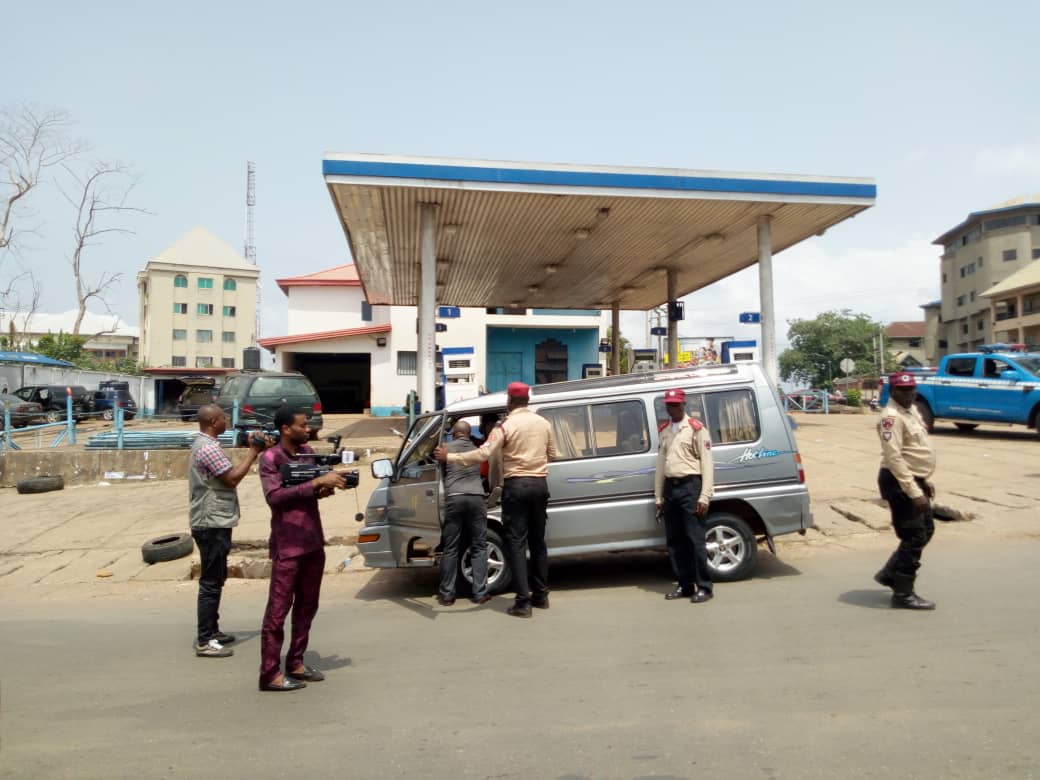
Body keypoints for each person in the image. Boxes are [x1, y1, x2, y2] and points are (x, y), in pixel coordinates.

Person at [434, 382, 556, 618]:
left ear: (510, 401)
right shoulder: (544, 423)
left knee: (517, 544)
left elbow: (484, 454)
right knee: (538, 542)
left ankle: (523, 602)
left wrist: (451, 456)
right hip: (540, 485)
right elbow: (552, 454)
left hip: (516, 486)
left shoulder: (505, 426)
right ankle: (541, 595)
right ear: (527, 400)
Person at [258, 406, 347, 691]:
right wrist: (316, 483)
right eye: (302, 425)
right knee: (278, 610)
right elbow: (274, 497)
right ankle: (269, 673)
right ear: (286, 429)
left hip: (312, 541)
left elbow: (309, 491)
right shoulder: (270, 458)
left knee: (308, 606)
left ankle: (295, 662)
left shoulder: (308, 452)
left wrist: (325, 487)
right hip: (288, 545)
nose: (307, 429)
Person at [189, 404, 271, 658]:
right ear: (213, 421)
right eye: (223, 418)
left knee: (217, 577)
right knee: (211, 582)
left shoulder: (204, 444)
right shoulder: (209, 448)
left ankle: (213, 631)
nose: (226, 421)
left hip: (215, 520)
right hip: (211, 522)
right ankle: (205, 640)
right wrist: (253, 453)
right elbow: (232, 478)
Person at [874, 372, 937, 610]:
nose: (909, 394)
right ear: (893, 391)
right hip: (899, 482)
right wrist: (914, 491)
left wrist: (923, 481)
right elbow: (894, 458)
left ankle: (891, 573)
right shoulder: (890, 417)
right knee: (914, 536)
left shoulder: (910, 410)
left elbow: (916, 448)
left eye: (912, 389)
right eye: (903, 390)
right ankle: (903, 594)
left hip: (913, 478)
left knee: (927, 529)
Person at [654, 388, 715, 603]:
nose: (672, 409)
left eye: (676, 405)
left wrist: (704, 496)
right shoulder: (665, 430)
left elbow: (707, 464)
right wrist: (658, 497)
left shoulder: (697, 429)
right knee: (675, 541)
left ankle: (705, 587)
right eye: (669, 405)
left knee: (695, 540)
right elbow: (661, 464)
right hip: (671, 488)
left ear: (683, 405)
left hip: (691, 486)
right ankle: (685, 584)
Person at [436, 420, 491, 606]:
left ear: (453, 433)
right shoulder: (477, 448)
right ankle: (480, 593)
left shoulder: (445, 448)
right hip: (476, 497)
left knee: (451, 547)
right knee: (479, 546)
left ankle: (447, 594)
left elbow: (441, 474)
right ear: (469, 434)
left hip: (455, 498)